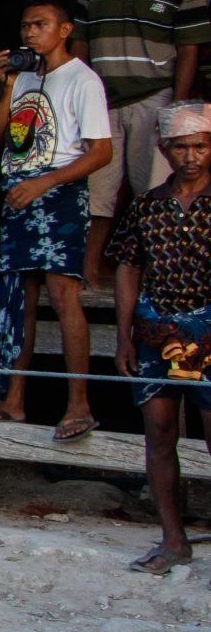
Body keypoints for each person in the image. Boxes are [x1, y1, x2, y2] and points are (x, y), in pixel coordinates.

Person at [0, 0, 112, 442]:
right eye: (25, 25)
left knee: (62, 294)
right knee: (19, 298)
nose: (30, 32)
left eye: (41, 24)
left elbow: (101, 152)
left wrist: (45, 183)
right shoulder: (26, 77)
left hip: (59, 193)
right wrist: (7, 84)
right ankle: (13, 401)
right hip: (18, 192)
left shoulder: (83, 79)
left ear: (65, 29)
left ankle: (79, 405)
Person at [81, 0, 208, 285]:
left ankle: (159, 274)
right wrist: (79, 99)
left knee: (155, 191)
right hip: (100, 102)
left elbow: (189, 48)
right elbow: (79, 45)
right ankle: (87, 271)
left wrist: (176, 109)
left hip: (153, 97)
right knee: (96, 193)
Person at [109, 102, 211, 575]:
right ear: (164, 149)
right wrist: (125, 335)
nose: (191, 156)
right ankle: (173, 541)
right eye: (182, 147)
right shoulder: (147, 206)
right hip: (156, 329)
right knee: (159, 434)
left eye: (201, 145)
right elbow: (128, 266)